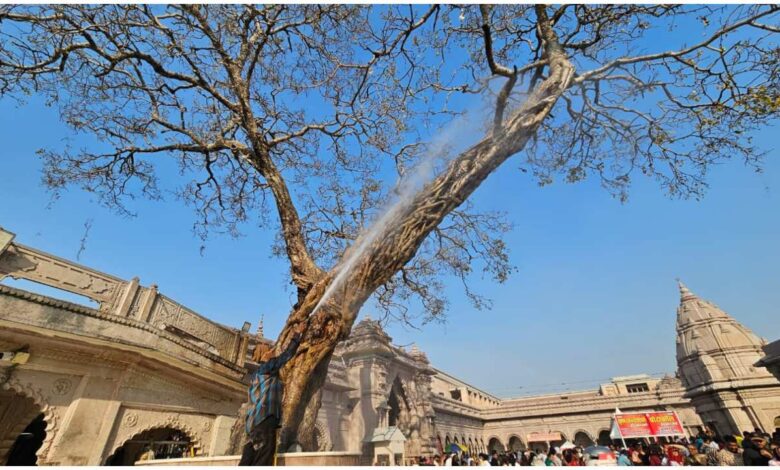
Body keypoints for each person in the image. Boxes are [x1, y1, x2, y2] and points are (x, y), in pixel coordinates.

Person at [239, 322, 306, 466]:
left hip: (254, 424)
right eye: (269, 350)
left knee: (248, 460)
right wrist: (297, 334)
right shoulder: (267, 367)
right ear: (263, 355)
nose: (272, 351)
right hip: (265, 421)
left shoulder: (258, 374)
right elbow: (286, 355)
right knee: (263, 460)